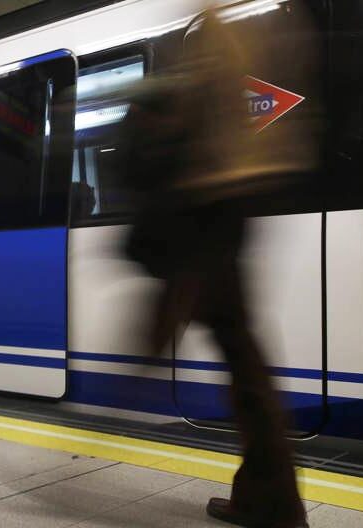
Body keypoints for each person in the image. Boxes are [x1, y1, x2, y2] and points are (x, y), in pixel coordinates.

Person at [119, 10, 313, 528]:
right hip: (229, 209)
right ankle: (268, 499)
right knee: (242, 353)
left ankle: (272, 503)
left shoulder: (214, 43)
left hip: (206, 212)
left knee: (241, 360)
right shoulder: (245, 43)